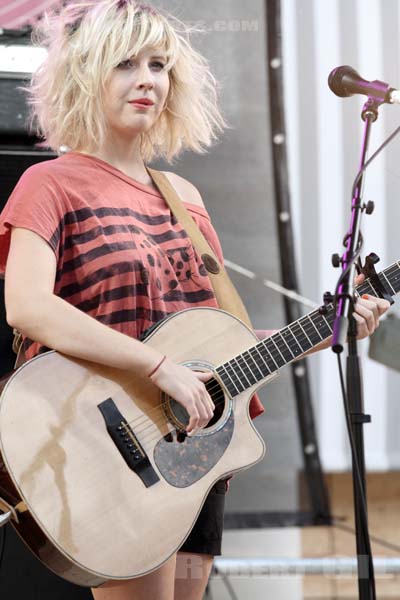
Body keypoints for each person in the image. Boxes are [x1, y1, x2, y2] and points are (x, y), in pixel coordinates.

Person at [0, 1, 390, 599]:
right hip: (108, 450)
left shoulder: (183, 196)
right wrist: (159, 370)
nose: (148, 79)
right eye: (126, 63)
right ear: (86, 74)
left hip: (196, 449)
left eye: (159, 65)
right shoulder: (50, 183)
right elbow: (27, 307)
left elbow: (217, 351)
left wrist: (331, 329)